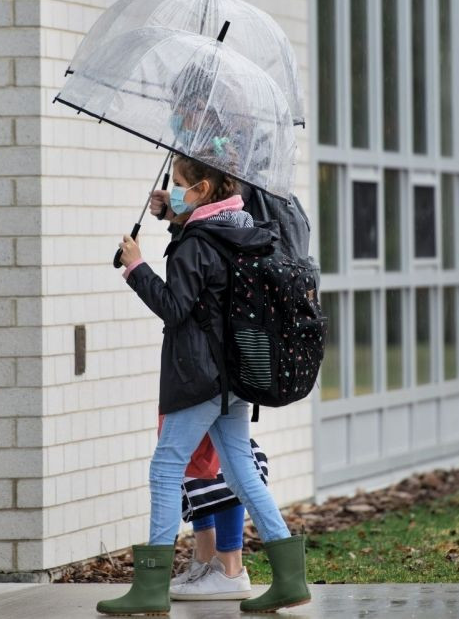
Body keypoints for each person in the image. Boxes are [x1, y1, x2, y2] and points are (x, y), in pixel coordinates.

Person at [97, 154, 309, 615]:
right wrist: (174, 216)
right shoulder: (240, 228)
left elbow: (176, 307)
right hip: (235, 375)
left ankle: (150, 588)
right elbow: (207, 283)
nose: (173, 189)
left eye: (179, 184)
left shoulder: (197, 242)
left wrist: (136, 267)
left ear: (203, 189)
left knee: (165, 468)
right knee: (241, 472)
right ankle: (291, 579)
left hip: (199, 376)